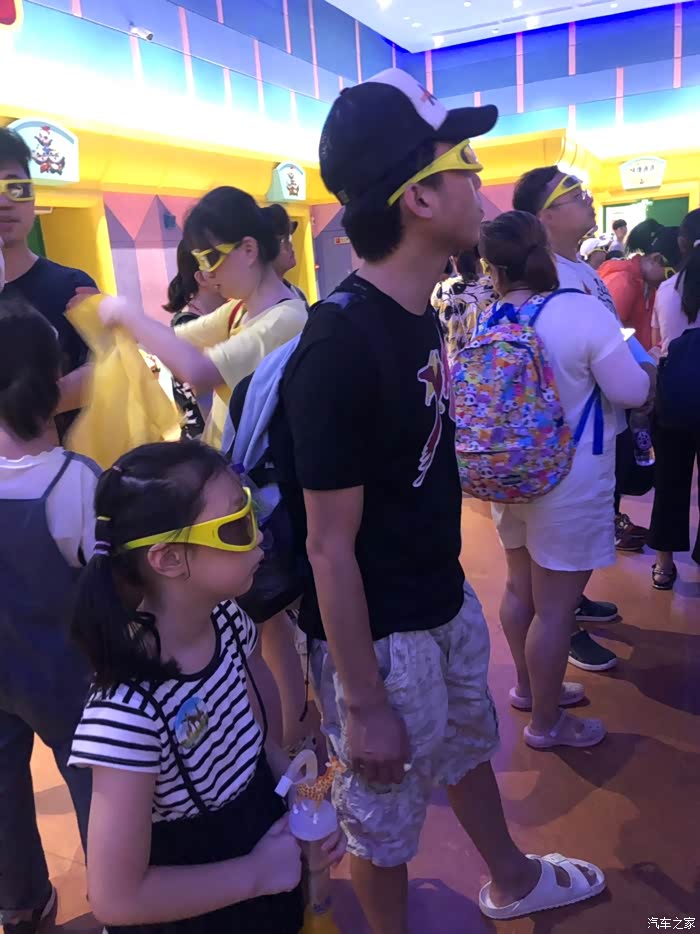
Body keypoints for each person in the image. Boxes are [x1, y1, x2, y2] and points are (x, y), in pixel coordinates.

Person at [273, 67, 607, 930]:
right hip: (380, 640)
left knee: (465, 748)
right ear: (418, 198)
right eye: (464, 162)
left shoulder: (419, 313)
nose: (480, 179)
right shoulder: (338, 347)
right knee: (381, 817)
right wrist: (364, 704)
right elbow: (326, 548)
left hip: (439, 595)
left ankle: (512, 876)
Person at [68, 441, 344, 932]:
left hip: (256, 849)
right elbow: (115, 897)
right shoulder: (127, 715)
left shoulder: (228, 620)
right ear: (169, 559)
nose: (260, 535)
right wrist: (255, 874)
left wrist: (291, 792)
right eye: (236, 526)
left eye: (251, 508)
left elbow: (253, 741)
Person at [479, 211, 648, 748]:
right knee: (555, 611)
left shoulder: (492, 316)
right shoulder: (579, 310)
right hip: (569, 479)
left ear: (493, 267)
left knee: (518, 589)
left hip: (509, 475)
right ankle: (547, 724)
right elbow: (631, 391)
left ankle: (530, 690)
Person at [513, 166, 656, 649]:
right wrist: (638, 377)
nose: (588, 198)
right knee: (553, 556)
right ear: (546, 214)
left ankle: (568, 607)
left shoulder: (583, 270)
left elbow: (610, 334)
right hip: (568, 440)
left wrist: (637, 361)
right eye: (575, 193)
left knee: (560, 553)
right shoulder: (547, 276)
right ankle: (562, 628)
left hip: (584, 431)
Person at [0, 297, 99, 934]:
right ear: (57, 380)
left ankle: (19, 903)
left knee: (2, 793)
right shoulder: (75, 482)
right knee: (95, 781)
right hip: (68, 678)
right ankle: (119, 892)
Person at [95, 188, 308, 449]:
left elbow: (199, 371)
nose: (207, 274)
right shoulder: (238, 310)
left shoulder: (286, 320)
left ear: (249, 250)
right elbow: (176, 338)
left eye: (210, 259)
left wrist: (126, 312)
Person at [0, 128, 97, 439]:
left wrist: (28, 406)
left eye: (16, 188)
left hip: (66, 463)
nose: (4, 202)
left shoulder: (72, 287)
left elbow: (106, 370)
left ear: (33, 197)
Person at [648, 208, 700, 589]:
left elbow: (657, 344)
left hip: (674, 392)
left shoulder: (666, 289)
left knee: (669, 479)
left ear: (681, 243)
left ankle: (663, 566)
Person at [163, 241, 223, 439]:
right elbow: (205, 399)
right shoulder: (187, 324)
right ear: (203, 276)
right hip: (205, 440)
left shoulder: (223, 316)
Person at [430, 247, 496, 367]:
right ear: (479, 259)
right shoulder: (493, 286)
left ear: (453, 261)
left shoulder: (442, 289)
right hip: (489, 361)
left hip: (455, 364)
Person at [598, 250, 666, 351]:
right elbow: (606, 334)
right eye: (669, 273)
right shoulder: (622, 282)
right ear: (656, 259)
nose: (667, 279)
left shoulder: (646, 283)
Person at [266, 204, 309, 307]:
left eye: (289, 237)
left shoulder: (296, 292)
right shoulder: (259, 301)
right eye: (284, 239)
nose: (290, 245)